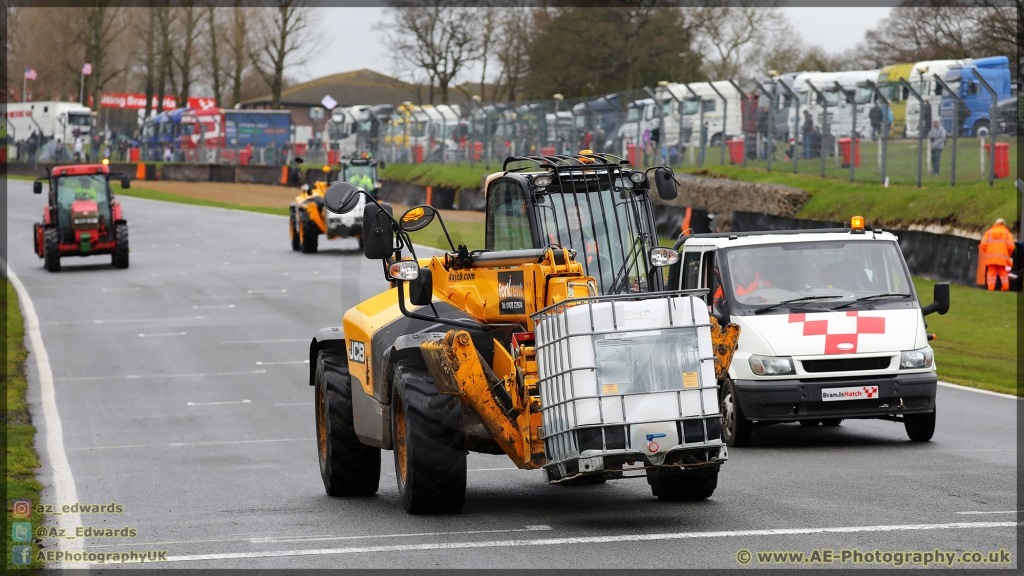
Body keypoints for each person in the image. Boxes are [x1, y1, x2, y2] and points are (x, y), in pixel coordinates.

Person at [978, 218, 1015, 291]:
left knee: (991, 272)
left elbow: (983, 244)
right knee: (1003, 272)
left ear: (995, 223)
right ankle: (1005, 287)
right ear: (1003, 224)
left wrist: (988, 251)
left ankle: (991, 288)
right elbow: (1011, 246)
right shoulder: (1007, 233)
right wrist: (1008, 253)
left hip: (991, 256)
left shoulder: (989, 232)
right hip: (1002, 257)